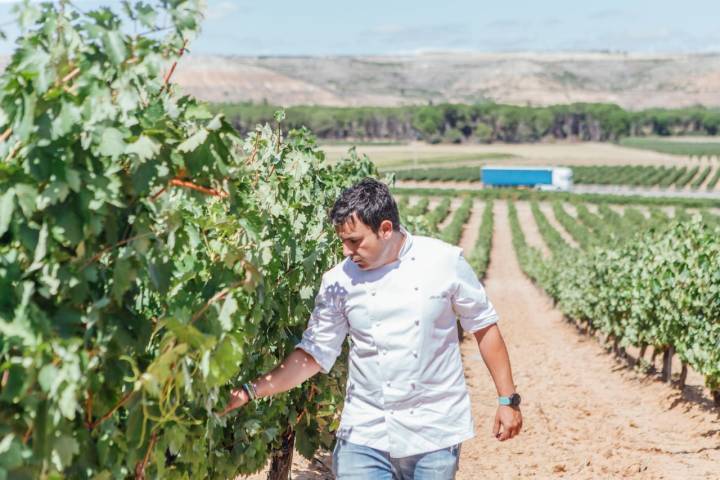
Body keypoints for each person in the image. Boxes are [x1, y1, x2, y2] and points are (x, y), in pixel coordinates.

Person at [221, 178, 522, 479]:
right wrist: (251, 390)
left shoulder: (443, 261)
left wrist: (507, 399)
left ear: (386, 229)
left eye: (354, 241)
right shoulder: (338, 281)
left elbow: (483, 327)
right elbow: (314, 354)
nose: (346, 251)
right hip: (364, 432)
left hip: (434, 431)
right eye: (342, 241)